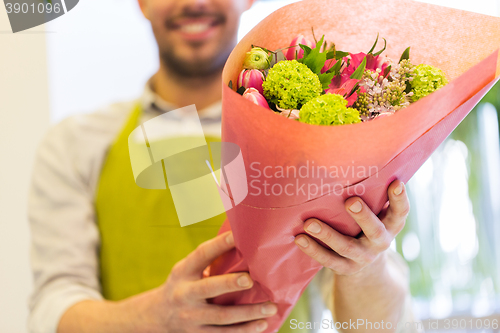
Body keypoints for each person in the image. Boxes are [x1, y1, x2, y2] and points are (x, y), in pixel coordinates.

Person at [27, 0, 416, 332]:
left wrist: (365, 264)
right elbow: (54, 305)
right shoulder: (77, 143)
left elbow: (377, 325)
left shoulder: (313, 136)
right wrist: (155, 317)